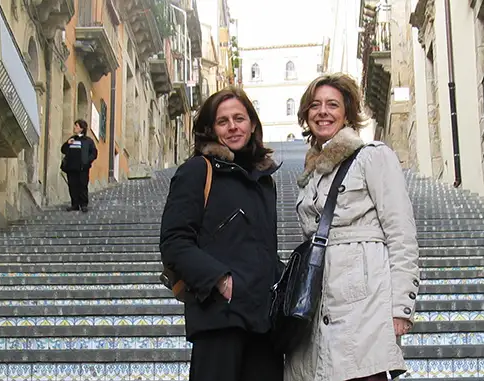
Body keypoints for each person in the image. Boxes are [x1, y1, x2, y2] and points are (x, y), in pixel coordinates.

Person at [285, 73, 420, 381]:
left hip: (365, 305)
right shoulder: (310, 176)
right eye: (315, 105)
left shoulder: (372, 157)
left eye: (332, 104)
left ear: (347, 112)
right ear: (306, 114)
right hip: (316, 303)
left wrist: (400, 307)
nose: (323, 112)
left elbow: (401, 233)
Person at [159, 87, 284, 381]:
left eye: (239, 118)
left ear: (252, 125)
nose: (233, 127)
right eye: (223, 121)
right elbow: (175, 241)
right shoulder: (197, 171)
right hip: (219, 318)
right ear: (211, 129)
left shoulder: (264, 182)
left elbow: (263, 247)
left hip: (264, 322)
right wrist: (220, 281)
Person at [60, 119, 97, 212]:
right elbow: (63, 150)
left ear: (81, 128)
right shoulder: (72, 139)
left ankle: (84, 204)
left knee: (82, 186)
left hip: (82, 168)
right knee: (72, 186)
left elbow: (94, 153)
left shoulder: (88, 141)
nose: (74, 128)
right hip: (71, 168)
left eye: (76, 126)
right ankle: (74, 204)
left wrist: (87, 161)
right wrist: (67, 144)